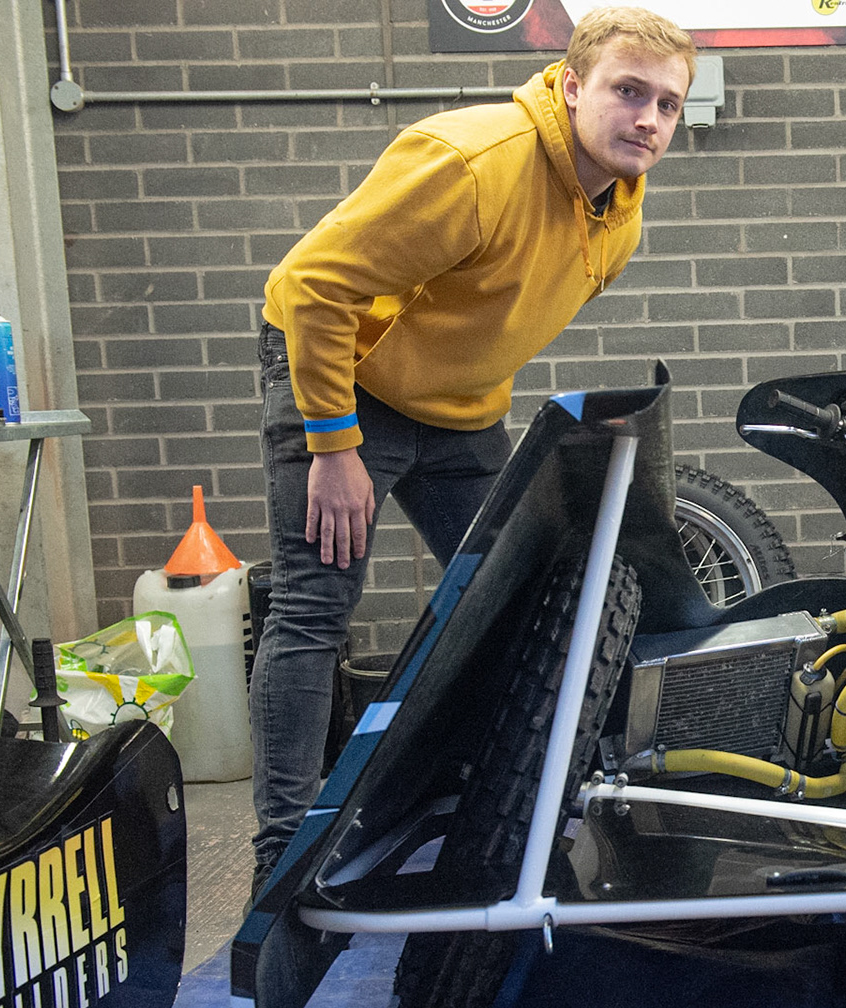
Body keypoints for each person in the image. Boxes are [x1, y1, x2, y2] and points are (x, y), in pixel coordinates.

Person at [249, 7, 696, 897]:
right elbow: (309, 288)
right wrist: (332, 446)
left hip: (457, 410)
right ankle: (279, 860)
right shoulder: (473, 165)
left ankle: (489, 795)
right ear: (571, 87)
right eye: (627, 91)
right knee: (315, 608)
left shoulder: (621, 214)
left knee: (519, 598)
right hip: (348, 382)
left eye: (669, 105)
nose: (648, 118)